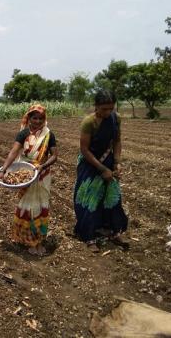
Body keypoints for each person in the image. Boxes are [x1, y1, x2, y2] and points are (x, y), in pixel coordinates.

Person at [0, 104, 58, 256]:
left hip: (42, 175)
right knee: (28, 207)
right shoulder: (23, 134)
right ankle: (30, 241)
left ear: (44, 119)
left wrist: (43, 166)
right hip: (26, 174)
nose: (37, 121)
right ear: (28, 118)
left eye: (40, 118)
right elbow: (13, 152)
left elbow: (55, 156)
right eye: (34, 118)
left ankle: (39, 240)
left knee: (41, 206)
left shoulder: (49, 135)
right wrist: (3, 170)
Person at [73, 90, 128, 252]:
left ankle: (112, 230)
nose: (108, 112)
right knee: (88, 199)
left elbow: (117, 141)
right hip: (91, 164)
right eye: (104, 109)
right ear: (96, 107)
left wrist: (117, 162)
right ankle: (89, 236)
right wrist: (102, 169)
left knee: (111, 197)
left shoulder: (115, 118)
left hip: (108, 161)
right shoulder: (89, 122)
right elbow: (84, 149)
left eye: (111, 108)